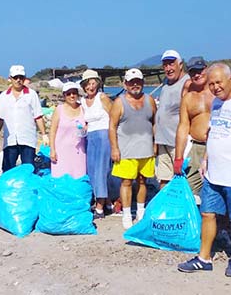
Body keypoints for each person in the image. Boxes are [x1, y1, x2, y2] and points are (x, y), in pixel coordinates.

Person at [177, 63, 231, 276]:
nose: (215, 87)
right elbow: (213, 134)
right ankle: (204, 258)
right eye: (211, 83)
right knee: (208, 213)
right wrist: (205, 159)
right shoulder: (217, 104)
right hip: (214, 173)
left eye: (219, 82)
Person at [108, 68, 157, 229]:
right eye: (131, 82)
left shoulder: (149, 100)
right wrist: (114, 148)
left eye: (138, 82)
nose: (135, 85)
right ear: (125, 84)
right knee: (127, 182)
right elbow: (112, 127)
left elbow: (154, 122)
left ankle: (141, 212)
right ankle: (127, 214)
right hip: (126, 151)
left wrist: (155, 143)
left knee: (143, 181)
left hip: (146, 150)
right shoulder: (119, 102)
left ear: (143, 83)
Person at [173, 56, 213, 205]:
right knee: (189, 191)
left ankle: (223, 226)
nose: (197, 75)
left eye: (200, 70)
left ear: (206, 68)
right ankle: (194, 224)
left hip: (217, 147)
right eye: (193, 72)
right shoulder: (188, 98)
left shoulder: (218, 92)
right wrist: (178, 157)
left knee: (220, 188)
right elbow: (183, 127)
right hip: (196, 148)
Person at [0, 65, 48, 173]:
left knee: (28, 169)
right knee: (8, 169)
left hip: (27, 138)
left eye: (21, 77)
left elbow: (38, 116)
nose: (18, 80)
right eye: (16, 77)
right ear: (10, 78)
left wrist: (44, 134)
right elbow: (0, 119)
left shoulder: (32, 95)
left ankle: (27, 189)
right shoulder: (4, 96)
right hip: (10, 140)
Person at [80, 69, 113, 219]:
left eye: (93, 83)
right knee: (91, 170)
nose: (91, 87)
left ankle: (99, 208)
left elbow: (114, 116)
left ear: (98, 84)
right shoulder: (82, 101)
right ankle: (107, 202)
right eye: (88, 84)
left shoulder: (102, 97)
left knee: (101, 170)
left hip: (104, 135)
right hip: (90, 137)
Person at [154, 50, 190, 189]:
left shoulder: (186, 83)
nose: (168, 69)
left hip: (178, 143)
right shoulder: (165, 83)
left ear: (180, 64)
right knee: (163, 179)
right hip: (163, 141)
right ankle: (166, 209)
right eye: (165, 65)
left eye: (171, 64)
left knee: (182, 179)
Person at [49, 81, 87, 179]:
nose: (72, 96)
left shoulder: (83, 109)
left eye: (74, 93)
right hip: (61, 152)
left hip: (79, 152)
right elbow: (52, 131)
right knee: (60, 178)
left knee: (79, 177)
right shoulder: (59, 109)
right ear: (64, 95)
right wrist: (52, 150)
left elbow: (89, 125)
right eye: (68, 94)